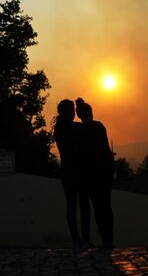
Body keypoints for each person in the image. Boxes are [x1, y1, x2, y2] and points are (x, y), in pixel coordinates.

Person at [75, 97, 115, 248]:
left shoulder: (79, 131)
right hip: (105, 171)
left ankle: (105, 240)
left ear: (78, 115)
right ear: (91, 112)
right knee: (105, 205)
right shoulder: (99, 126)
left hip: (90, 173)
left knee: (98, 207)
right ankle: (108, 239)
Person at [53, 99, 91, 248]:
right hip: (80, 171)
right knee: (84, 206)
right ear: (71, 112)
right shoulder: (77, 128)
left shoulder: (58, 128)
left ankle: (76, 239)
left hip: (66, 171)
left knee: (71, 205)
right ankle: (86, 239)